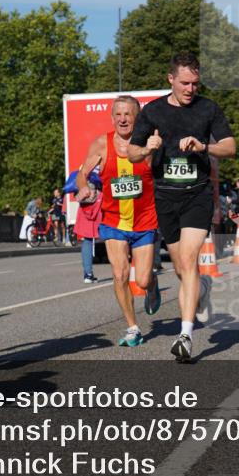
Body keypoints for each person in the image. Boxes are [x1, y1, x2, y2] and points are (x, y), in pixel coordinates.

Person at [128, 52, 236, 363]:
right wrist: (147, 148)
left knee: (189, 261)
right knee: (181, 269)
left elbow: (230, 147)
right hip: (165, 196)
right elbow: (132, 152)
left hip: (197, 194)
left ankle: (185, 336)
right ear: (171, 79)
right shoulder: (153, 111)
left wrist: (204, 146)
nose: (190, 89)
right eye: (185, 83)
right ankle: (201, 287)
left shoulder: (208, 108)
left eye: (195, 84)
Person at [77, 96, 160, 347]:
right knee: (120, 274)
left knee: (142, 280)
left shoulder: (149, 143)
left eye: (128, 114)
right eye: (118, 114)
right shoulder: (102, 143)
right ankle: (133, 327)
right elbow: (82, 173)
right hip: (113, 221)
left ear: (137, 118)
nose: (123, 119)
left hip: (144, 220)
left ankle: (152, 284)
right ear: (112, 117)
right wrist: (84, 187)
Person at [74, 174, 102, 281]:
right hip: (98, 215)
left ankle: (88, 274)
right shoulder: (99, 193)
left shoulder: (82, 192)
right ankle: (119, 272)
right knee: (112, 239)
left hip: (84, 216)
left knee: (87, 242)